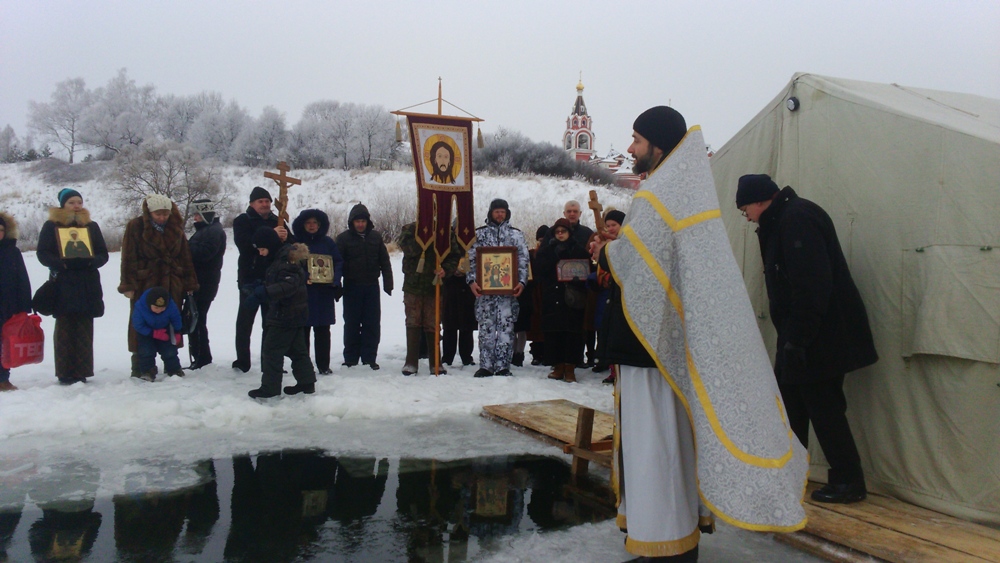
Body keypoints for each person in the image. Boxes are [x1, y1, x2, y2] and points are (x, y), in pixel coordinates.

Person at [595, 107, 807, 561]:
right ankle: (676, 537)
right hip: (664, 342)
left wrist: (606, 253)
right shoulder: (685, 191)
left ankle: (661, 541)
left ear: (657, 143)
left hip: (649, 349)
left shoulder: (656, 198)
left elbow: (635, 261)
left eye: (636, 140)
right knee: (672, 442)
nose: (630, 149)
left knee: (654, 448)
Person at [737, 173, 878, 504]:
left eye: (745, 209)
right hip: (804, 334)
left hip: (820, 336)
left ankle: (848, 482)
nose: (745, 216)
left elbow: (811, 285)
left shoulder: (797, 219)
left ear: (760, 200)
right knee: (790, 405)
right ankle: (788, 474)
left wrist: (798, 340)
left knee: (823, 407)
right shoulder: (783, 219)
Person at [119, 193, 199, 380]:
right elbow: (128, 258)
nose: (162, 218)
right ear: (149, 213)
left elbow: (185, 257)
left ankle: (172, 365)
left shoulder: (175, 228)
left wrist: (188, 282)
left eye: (165, 214)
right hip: (145, 283)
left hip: (172, 282)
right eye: (158, 214)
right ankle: (141, 366)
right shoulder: (136, 227)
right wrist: (128, 284)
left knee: (170, 321)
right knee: (141, 322)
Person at [36, 189, 109, 385]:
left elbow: (103, 253)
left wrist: (92, 262)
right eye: (71, 202)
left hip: (87, 282)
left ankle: (82, 371)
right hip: (63, 283)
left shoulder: (91, 226)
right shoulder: (52, 226)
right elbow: (43, 253)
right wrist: (61, 263)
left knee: (84, 328)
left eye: (79, 202)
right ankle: (64, 372)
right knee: (65, 329)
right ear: (63, 205)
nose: (76, 206)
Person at [242, 227, 316, 399]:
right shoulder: (279, 259)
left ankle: (270, 388)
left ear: (269, 245)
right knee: (297, 350)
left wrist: (264, 292)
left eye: (262, 249)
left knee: (271, 350)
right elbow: (279, 281)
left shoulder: (285, 261)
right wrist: (258, 286)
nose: (260, 253)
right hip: (294, 312)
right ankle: (306, 383)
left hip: (286, 314)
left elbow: (288, 285)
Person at [466, 199, 529, 378]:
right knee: (486, 329)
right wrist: (472, 282)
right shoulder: (479, 235)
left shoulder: (516, 235)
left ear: (507, 213)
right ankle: (485, 365)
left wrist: (521, 283)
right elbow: (470, 261)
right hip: (485, 293)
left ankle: (503, 365)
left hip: (508, 294)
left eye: (502, 211)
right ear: (490, 213)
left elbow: (523, 262)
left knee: (506, 330)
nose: (499, 214)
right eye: (496, 211)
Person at [232, 186, 288, 373]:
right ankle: (242, 361)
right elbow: (244, 243)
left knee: (270, 324)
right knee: (245, 322)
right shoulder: (243, 220)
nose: (264, 204)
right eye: (260, 201)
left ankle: (269, 361)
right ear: (252, 204)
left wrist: (286, 237)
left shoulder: (277, 220)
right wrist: (272, 235)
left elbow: (288, 246)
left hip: (272, 279)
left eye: (267, 201)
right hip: (250, 278)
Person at [397, 221, 462, 375]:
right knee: (413, 321)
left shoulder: (446, 233)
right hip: (414, 283)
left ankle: (436, 363)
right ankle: (411, 362)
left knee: (433, 322)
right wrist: (425, 240)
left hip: (435, 285)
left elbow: (454, 255)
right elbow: (406, 248)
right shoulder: (410, 229)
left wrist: (445, 270)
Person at [335, 203, 392, 370]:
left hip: (371, 287)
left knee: (372, 323)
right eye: (357, 221)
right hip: (351, 287)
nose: (360, 224)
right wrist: (336, 286)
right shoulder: (343, 239)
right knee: (351, 323)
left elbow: (385, 262)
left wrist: (388, 283)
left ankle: (369, 357)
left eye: (363, 221)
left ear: (368, 222)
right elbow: (337, 264)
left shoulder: (375, 237)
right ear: (352, 222)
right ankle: (351, 358)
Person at [536, 218, 590, 383]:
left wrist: (578, 279)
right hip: (553, 296)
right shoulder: (546, 250)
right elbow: (539, 271)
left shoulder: (579, 250)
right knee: (554, 333)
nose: (560, 234)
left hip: (572, 297)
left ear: (569, 232)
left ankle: (570, 367)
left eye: (563, 231)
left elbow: (586, 270)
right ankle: (558, 366)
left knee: (572, 333)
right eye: (557, 232)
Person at [291, 209, 344, 375]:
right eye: (308, 223)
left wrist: (335, 281)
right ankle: (304, 365)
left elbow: (338, 262)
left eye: (314, 223)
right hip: (303, 293)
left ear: (320, 225)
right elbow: (291, 264)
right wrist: (304, 277)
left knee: (322, 331)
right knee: (303, 331)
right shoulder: (296, 243)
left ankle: (323, 365)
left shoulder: (328, 243)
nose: (312, 226)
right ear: (303, 225)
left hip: (324, 293)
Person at [187, 199, 227, 370]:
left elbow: (205, 254)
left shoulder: (212, 231)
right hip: (202, 281)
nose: (194, 218)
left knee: (197, 319)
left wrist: (186, 247)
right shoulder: (207, 230)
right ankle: (200, 356)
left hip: (204, 283)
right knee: (195, 319)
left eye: (197, 214)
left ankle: (202, 357)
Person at [0, 211, 32, 391]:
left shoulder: (12, 251)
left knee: (5, 344)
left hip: (7, 305)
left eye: (1, 230)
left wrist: (24, 306)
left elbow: (22, 278)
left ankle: (3, 379)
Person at [591, 208, 624, 382]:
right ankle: (611, 368)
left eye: (614, 225)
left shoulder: (626, 244)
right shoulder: (603, 242)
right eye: (608, 225)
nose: (611, 228)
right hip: (607, 294)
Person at [131, 286, 184, 381]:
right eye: (156, 307)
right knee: (146, 351)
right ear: (149, 304)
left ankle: (174, 369)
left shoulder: (171, 306)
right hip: (146, 332)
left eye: (162, 308)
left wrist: (177, 331)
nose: (159, 310)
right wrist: (153, 333)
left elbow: (176, 318)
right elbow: (138, 325)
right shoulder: (140, 307)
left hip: (165, 330)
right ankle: (147, 371)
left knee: (169, 351)